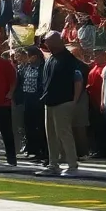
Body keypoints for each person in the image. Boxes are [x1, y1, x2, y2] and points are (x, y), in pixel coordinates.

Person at [37, 32, 84, 178]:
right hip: (49, 102)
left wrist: (74, 101)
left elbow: (78, 80)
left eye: (49, 43)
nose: (47, 45)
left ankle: (72, 165)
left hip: (64, 101)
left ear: (58, 42)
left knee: (64, 134)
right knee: (50, 135)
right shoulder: (50, 59)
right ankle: (53, 165)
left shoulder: (69, 60)